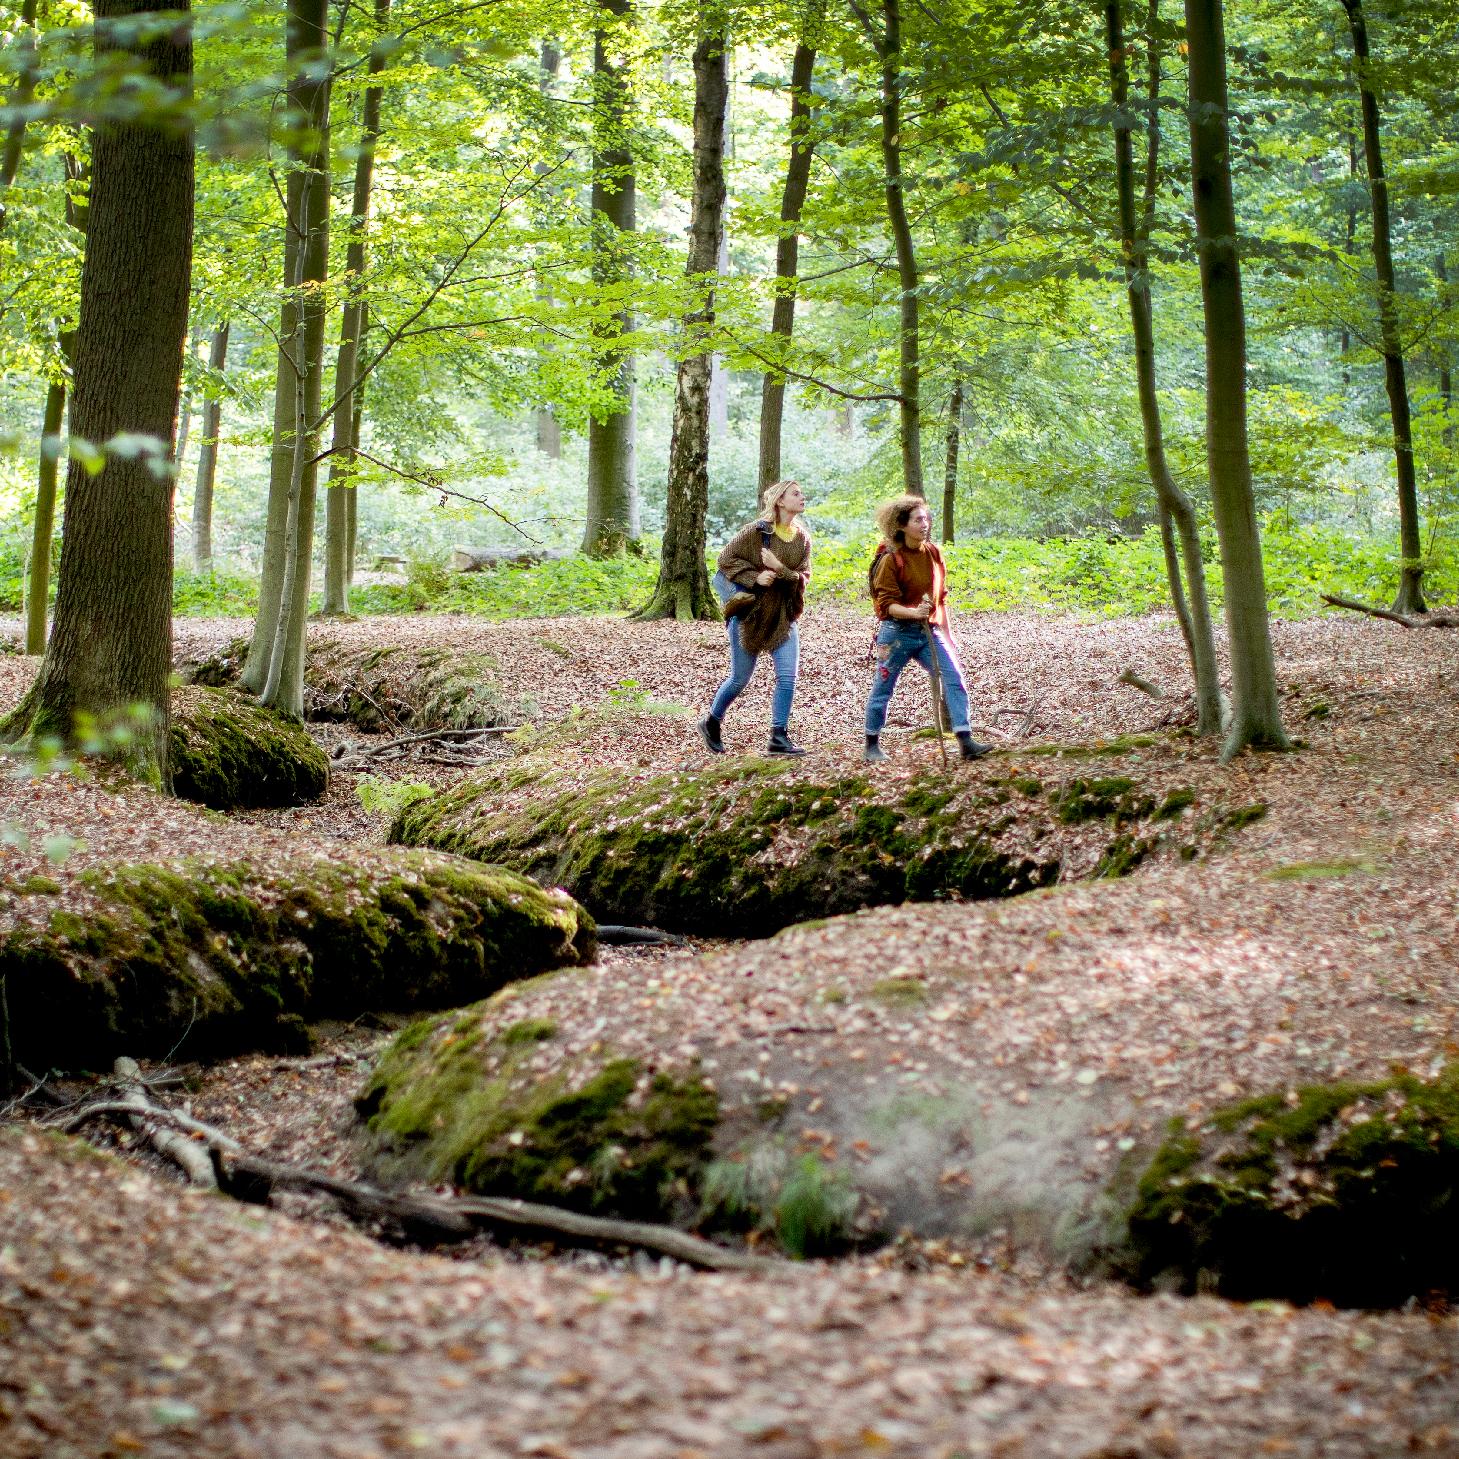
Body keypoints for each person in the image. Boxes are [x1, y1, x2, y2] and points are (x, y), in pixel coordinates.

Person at [863, 494, 990, 764]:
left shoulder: (933, 553)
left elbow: (940, 598)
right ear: (902, 525)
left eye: (926, 518)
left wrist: (948, 633)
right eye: (918, 519)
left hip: (927, 632)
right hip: (896, 633)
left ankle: (965, 740)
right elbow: (886, 605)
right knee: (884, 686)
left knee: (954, 676)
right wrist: (912, 612)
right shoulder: (891, 559)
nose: (925, 524)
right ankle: (871, 743)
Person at [698, 479, 811, 756]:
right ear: (780, 501)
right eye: (795, 494)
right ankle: (711, 722)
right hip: (750, 616)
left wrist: (779, 568)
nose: (802, 497)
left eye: (801, 493)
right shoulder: (755, 532)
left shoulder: (802, 539)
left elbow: (803, 578)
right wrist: (755, 577)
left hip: (784, 616)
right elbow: (724, 560)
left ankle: (778, 737)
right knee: (739, 679)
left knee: (787, 677)